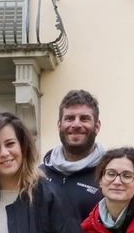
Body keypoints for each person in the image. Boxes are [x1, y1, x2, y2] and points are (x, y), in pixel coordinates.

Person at [41, 89, 106, 221]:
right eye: (70, 118)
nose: (76, 124)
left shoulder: (109, 175)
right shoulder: (39, 175)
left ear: (97, 126)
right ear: (59, 125)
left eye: (84, 118)